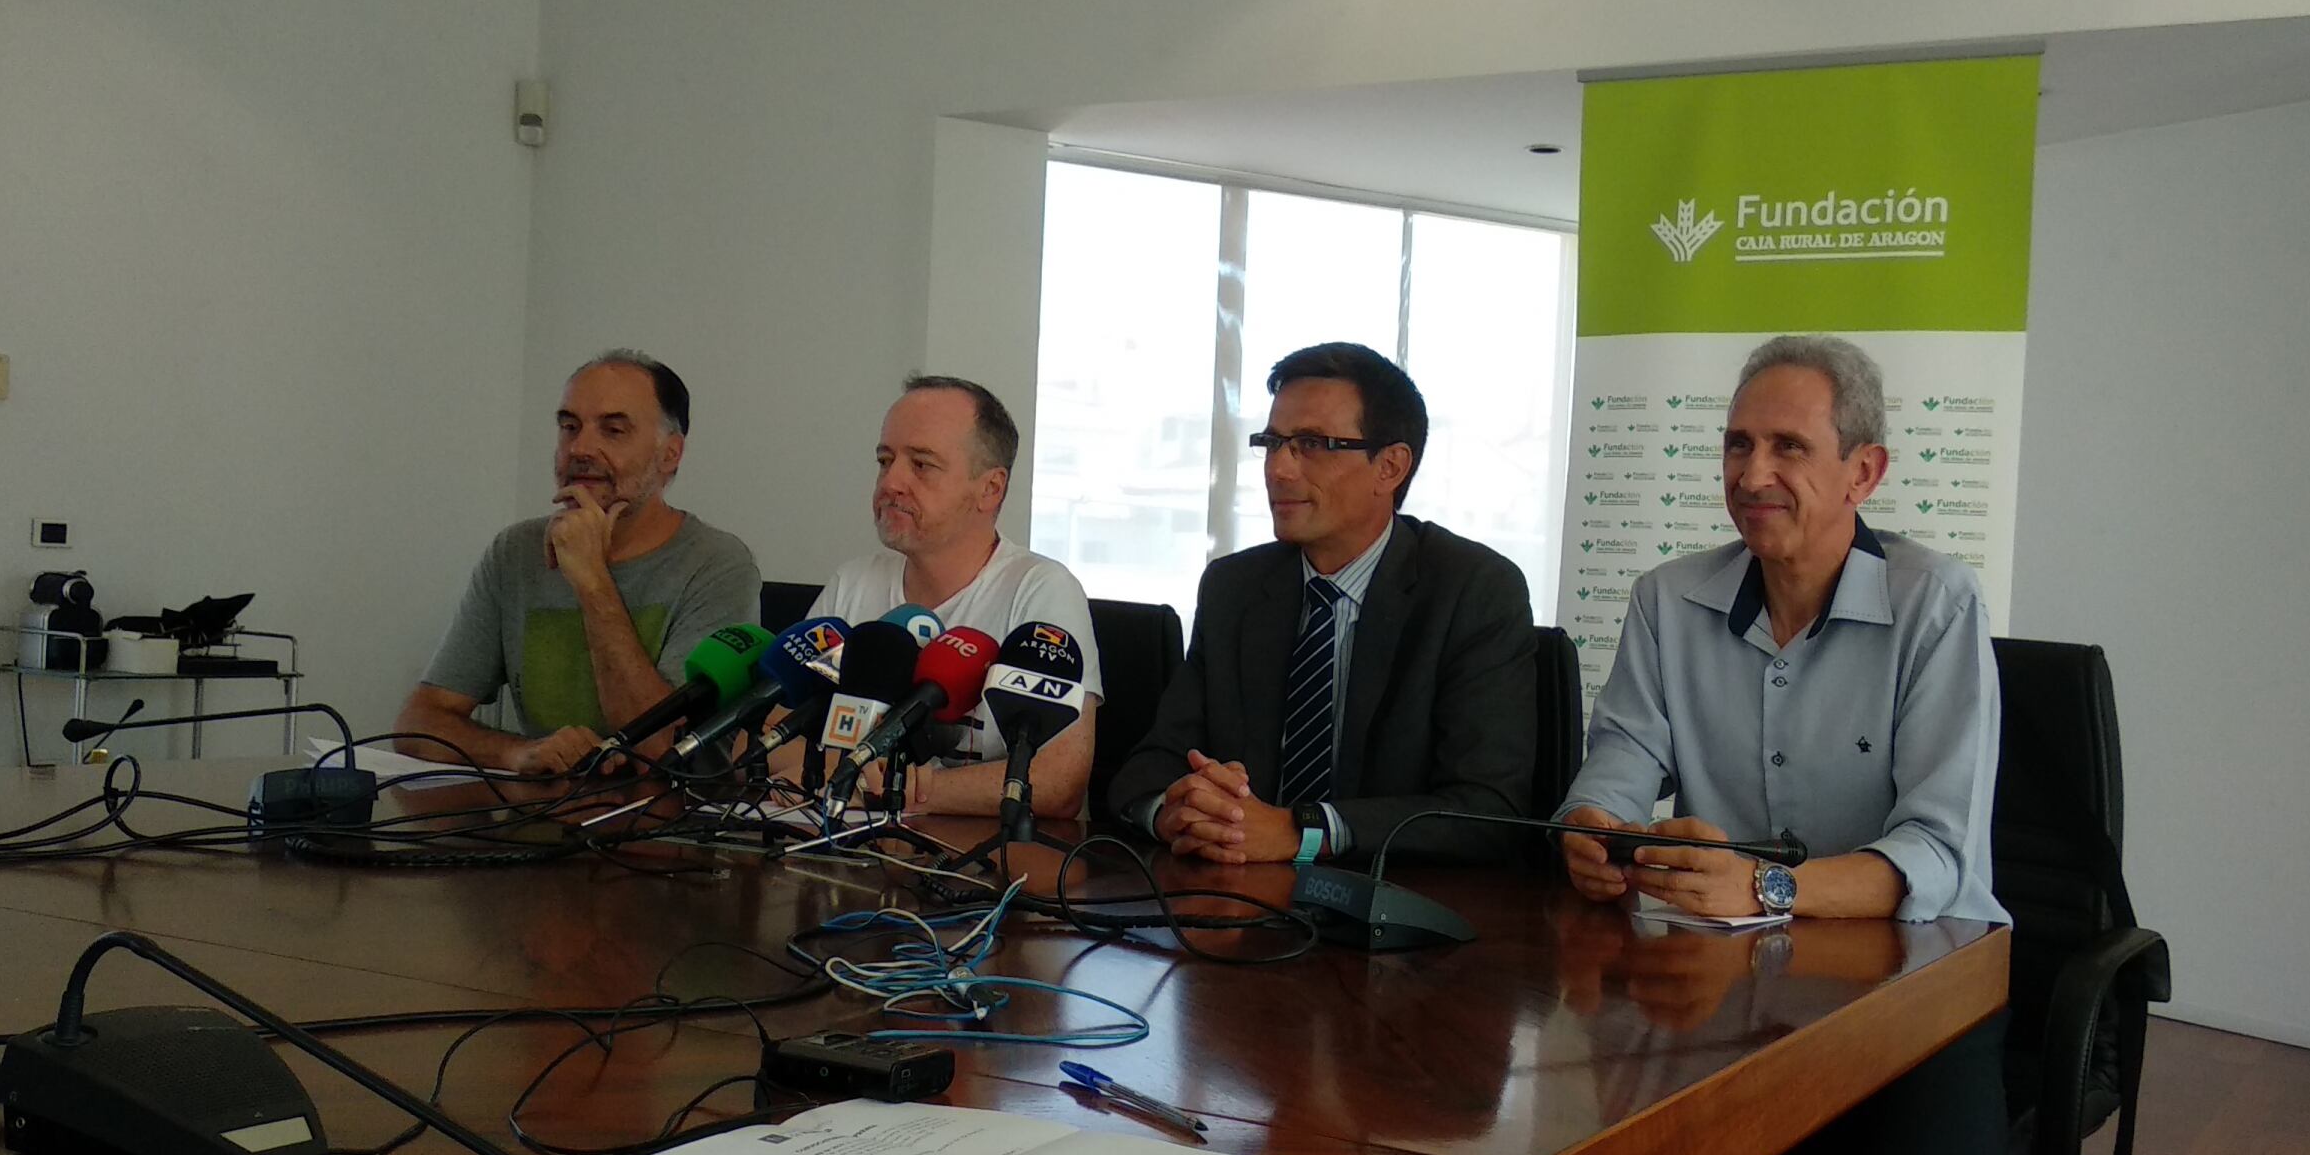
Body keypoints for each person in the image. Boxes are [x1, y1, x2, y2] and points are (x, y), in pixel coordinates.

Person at [1558, 334, 2016, 1155]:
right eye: (1736, 444)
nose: (1752, 472)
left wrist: (1761, 889)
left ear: (1865, 472)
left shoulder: (1936, 604)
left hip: (1923, 991)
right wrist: (1593, 829)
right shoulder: (1669, 599)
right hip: (1733, 986)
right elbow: (1618, 760)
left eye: (1787, 447)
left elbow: (1940, 853)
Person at [1105, 342, 1535, 867]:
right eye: (1272, 443)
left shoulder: (1472, 590)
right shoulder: (1235, 587)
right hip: (1238, 891)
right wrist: (1174, 812)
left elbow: (1487, 810)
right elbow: (1152, 764)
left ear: (1391, 467)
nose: (1278, 469)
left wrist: (1302, 831)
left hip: (1394, 901)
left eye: (1311, 444)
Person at [398, 351, 762, 775]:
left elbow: (660, 751)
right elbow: (418, 723)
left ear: (669, 454)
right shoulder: (515, 552)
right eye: (569, 427)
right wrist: (518, 754)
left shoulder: (718, 564)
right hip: (541, 809)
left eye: (613, 430)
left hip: (666, 811)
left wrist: (592, 580)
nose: (580, 448)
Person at [799, 375, 1099, 818]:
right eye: (885, 460)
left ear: (990, 488)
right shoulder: (853, 583)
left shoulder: (1041, 589)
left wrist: (890, 788)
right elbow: (763, 737)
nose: (891, 482)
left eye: (921, 465)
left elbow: (1059, 780)